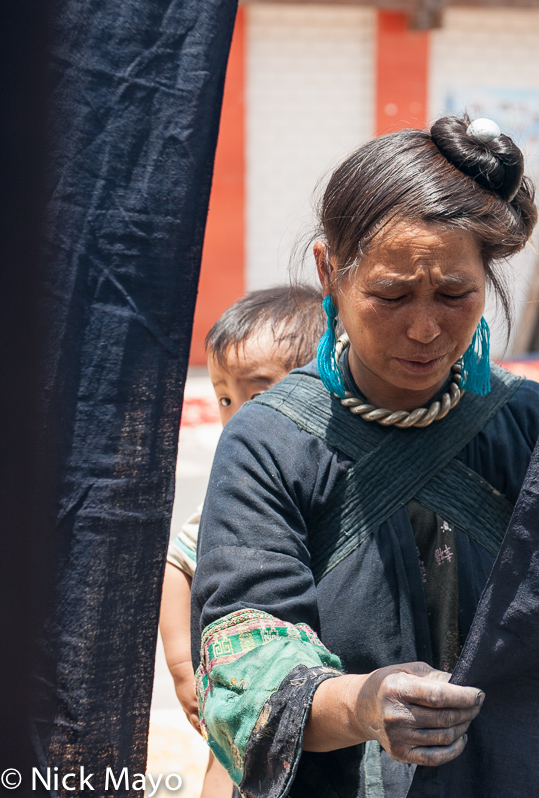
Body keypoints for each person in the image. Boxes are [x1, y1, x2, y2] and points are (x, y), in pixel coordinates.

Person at [191, 116, 539, 798]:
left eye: (454, 294)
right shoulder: (269, 443)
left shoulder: (530, 426)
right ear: (330, 271)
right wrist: (362, 703)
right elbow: (244, 659)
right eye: (390, 295)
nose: (423, 328)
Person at [158, 286, 325, 798]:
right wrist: (186, 672)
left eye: (257, 397)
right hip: (245, 687)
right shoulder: (237, 487)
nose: (238, 417)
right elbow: (177, 564)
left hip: (324, 694)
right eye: (226, 398)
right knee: (226, 768)